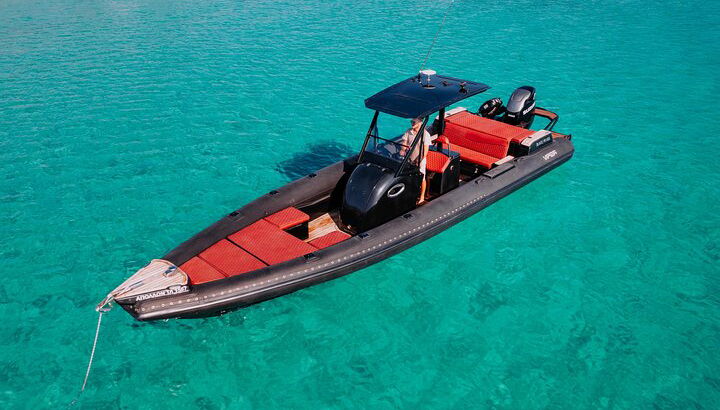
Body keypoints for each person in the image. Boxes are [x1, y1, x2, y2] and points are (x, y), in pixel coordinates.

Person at [399, 117, 433, 204]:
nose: (412, 123)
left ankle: (422, 197)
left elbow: (425, 151)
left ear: (420, 123)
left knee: (422, 178)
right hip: (409, 158)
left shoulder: (425, 135)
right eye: (412, 122)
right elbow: (404, 143)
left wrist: (419, 160)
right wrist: (403, 149)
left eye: (414, 122)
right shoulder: (408, 131)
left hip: (420, 159)